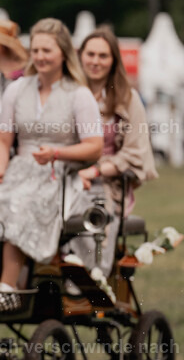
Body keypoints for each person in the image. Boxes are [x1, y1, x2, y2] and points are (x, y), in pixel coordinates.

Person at [0, 18, 103, 312]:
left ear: (63, 53)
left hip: (62, 173)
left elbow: (94, 146)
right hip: (20, 167)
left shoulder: (79, 94)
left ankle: (8, 286)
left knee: (23, 203)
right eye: (35, 50)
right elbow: (2, 139)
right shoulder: (17, 89)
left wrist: (57, 154)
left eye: (46, 50)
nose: (39, 56)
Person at [67, 29, 158, 277]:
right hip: (66, 174)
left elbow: (134, 152)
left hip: (106, 180)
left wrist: (95, 170)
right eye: (91, 54)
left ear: (113, 61)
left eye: (103, 56)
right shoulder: (67, 93)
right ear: (80, 56)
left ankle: (93, 277)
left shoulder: (128, 100)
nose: (95, 61)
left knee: (92, 213)